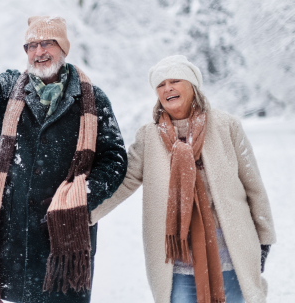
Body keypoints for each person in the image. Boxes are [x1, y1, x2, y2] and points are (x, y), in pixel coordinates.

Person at [0, 0, 128, 303]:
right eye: (31, 46)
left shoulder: (92, 99)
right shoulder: (7, 91)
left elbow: (114, 160)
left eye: (47, 43)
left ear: (62, 48)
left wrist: (80, 196)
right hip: (13, 237)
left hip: (64, 242)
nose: (39, 52)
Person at [90, 55, 277, 303]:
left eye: (175, 80)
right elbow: (123, 182)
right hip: (176, 260)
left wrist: (265, 239)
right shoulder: (149, 137)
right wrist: (83, 214)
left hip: (233, 253)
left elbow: (253, 184)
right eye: (161, 84)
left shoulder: (226, 126)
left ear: (192, 86)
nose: (167, 88)